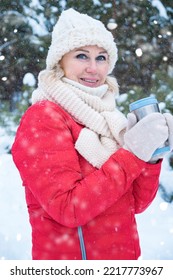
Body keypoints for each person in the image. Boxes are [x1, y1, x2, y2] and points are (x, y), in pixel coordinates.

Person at [12, 8, 173, 260]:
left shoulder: (108, 118)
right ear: (60, 62)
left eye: (101, 58)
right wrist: (131, 154)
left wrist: (150, 156)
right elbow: (69, 209)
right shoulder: (44, 117)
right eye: (81, 55)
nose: (93, 68)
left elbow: (135, 204)